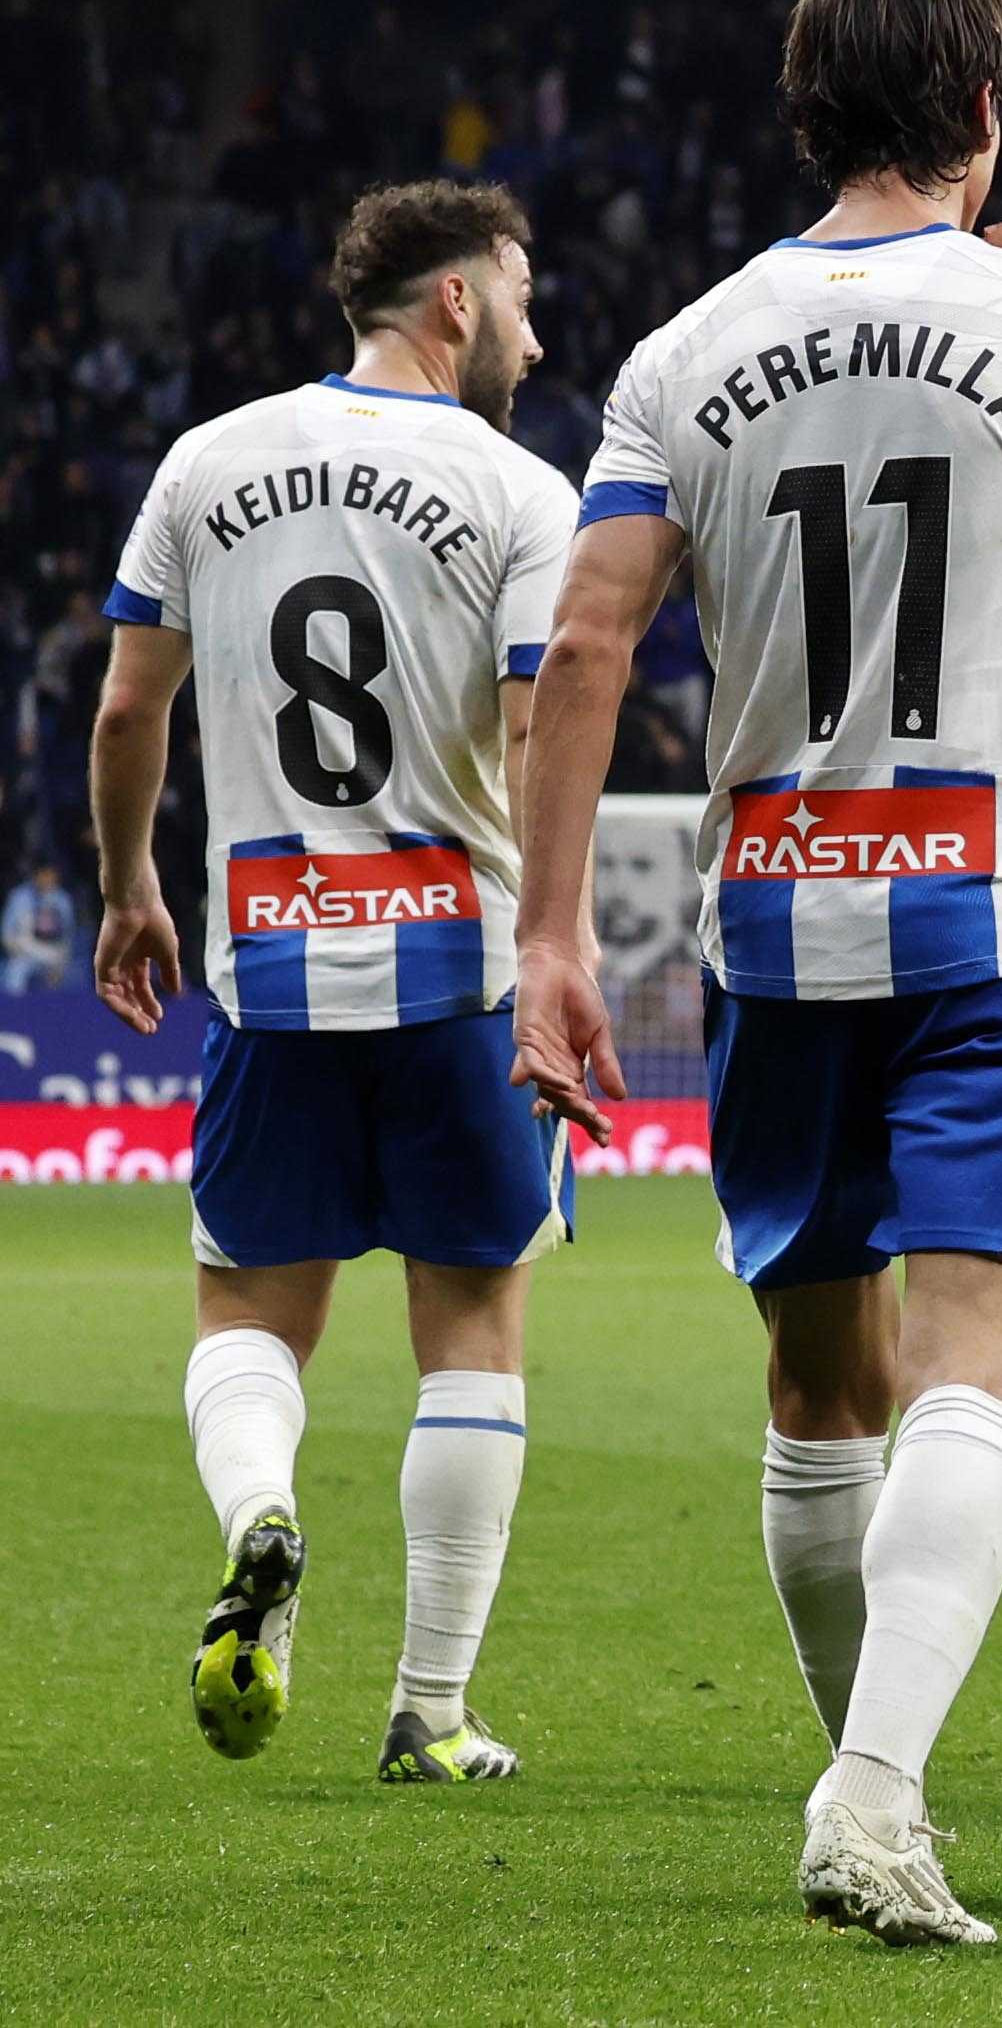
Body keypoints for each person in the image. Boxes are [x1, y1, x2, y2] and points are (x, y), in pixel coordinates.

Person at [507, 0, 1002, 1945]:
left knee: (818, 1377)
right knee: (973, 1353)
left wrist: (551, 931)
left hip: (775, 909)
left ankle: (868, 1772)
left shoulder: (685, 351)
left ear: (802, 118)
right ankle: (874, 1789)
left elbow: (584, 639)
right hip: (997, 910)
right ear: (984, 114)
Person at [88, 180, 579, 1785]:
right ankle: (430, 1708)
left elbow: (127, 710)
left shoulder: (204, 462)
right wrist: (554, 941)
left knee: (249, 1311)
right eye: (522, 299)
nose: (535, 337)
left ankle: (262, 1515)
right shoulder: (517, 489)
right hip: (456, 965)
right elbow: (535, 727)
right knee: (473, 1323)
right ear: (457, 302)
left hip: (270, 960)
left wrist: (130, 886)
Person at [3, 857, 77, 990]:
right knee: (15, 974)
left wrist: (62, 959)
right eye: (44, 875)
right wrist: (17, 950)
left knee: (70, 976)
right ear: (35, 876)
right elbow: (6, 934)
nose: (47, 879)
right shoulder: (19, 897)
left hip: (53, 954)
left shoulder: (63, 900)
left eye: (51, 875)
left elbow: (68, 935)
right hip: (24, 954)